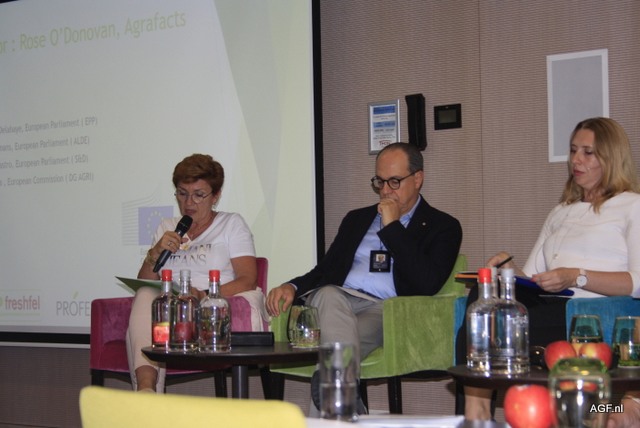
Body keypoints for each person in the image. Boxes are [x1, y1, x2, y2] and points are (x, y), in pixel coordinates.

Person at [458, 117, 640, 421]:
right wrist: (508, 269)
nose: (576, 160)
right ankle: (476, 413)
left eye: (588, 153)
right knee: (484, 295)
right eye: (573, 150)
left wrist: (576, 276)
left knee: (506, 325)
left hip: (588, 316)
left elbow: (638, 282)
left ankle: (624, 412)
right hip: (551, 304)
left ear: (612, 158)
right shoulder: (561, 211)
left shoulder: (631, 206)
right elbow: (533, 279)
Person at [266, 142, 463, 414]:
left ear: (418, 179)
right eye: (379, 181)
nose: (385, 190)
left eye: (394, 181)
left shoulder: (443, 226)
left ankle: (338, 396)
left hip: (386, 311)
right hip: (338, 300)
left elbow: (427, 283)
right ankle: (345, 398)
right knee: (328, 293)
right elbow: (325, 271)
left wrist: (392, 227)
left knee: (336, 351)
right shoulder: (357, 219)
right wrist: (292, 285)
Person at [126, 153, 264, 393]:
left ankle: (145, 393)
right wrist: (155, 252)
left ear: (215, 196)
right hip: (168, 311)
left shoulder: (231, 224)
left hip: (207, 309)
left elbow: (247, 280)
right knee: (146, 295)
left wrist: (203, 295)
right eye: (182, 193)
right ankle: (146, 390)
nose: (189, 202)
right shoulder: (167, 227)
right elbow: (145, 283)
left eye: (198, 195)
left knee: (150, 312)